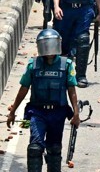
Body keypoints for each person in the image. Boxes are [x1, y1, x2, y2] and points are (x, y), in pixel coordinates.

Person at [6, 29, 82, 172]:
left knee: (54, 149)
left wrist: (76, 113)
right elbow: (24, 88)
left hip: (58, 113)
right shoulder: (33, 66)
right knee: (35, 148)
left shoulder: (66, 65)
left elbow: (71, 90)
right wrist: (13, 111)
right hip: (38, 112)